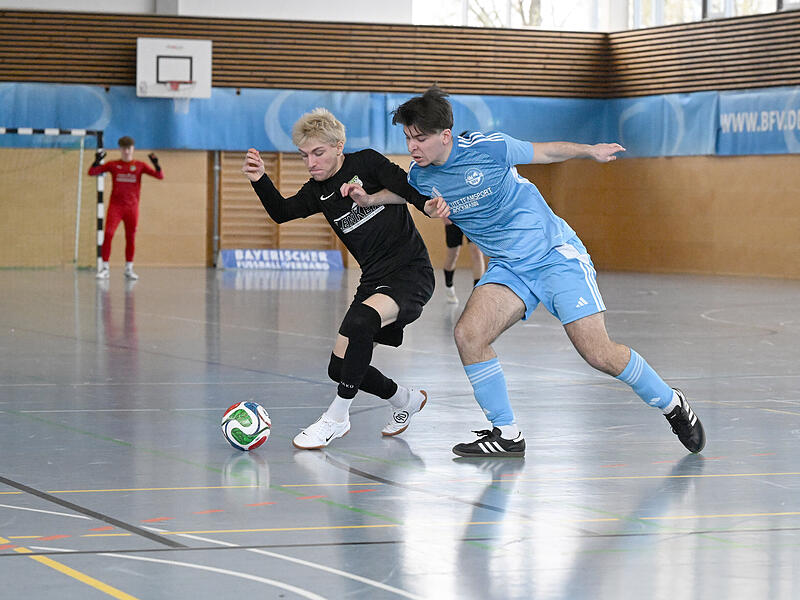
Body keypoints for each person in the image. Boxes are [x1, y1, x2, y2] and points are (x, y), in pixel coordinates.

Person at [356, 86, 705, 457]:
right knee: (469, 335)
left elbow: (546, 151)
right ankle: (507, 432)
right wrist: (370, 199)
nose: (413, 147)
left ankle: (670, 402)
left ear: (445, 136)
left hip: (554, 255)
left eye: (421, 139)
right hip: (509, 268)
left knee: (598, 353)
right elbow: (408, 194)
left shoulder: (487, 148)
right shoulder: (421, 176)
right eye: (408, 138)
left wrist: (590, 151)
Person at [241, 107, 436, 450]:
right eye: (304, 156)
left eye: (318, 153)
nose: (311, 163)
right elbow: (282, 213)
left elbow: (409, 190)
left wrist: (429, 205)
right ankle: (404, 399)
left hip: (410, 274)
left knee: (362, 322)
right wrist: (260, 179)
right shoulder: (318, 191)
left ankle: (336, 417)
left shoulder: (368, 163)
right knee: (339, 368)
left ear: (338, 146)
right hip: (373, 282)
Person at [88, 136, 163, 280]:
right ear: (120, 149)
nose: (126, 152)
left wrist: (157, 165)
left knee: (131, 237)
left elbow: (159, 176)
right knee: (108, 234)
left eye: (129, 149)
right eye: (124, 149)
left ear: (133, 149)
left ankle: (129, 268)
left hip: (132, 208)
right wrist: (96, 161)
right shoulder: (113, 164)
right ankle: (105, 268)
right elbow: (92, 172)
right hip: (116, 207)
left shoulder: (139, 165)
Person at [442, 220, 485, 304]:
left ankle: (477, 293)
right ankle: (449, 286)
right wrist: (444, 217)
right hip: (454, 218)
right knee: (452, 255)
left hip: (471, 218)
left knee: (477, 253)